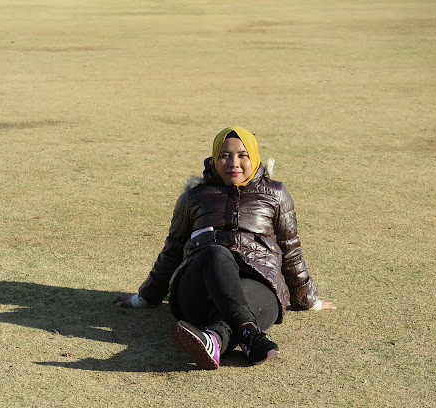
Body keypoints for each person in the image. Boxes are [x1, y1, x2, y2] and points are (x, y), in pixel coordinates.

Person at [113, 126, 336, 369]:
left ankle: (214, 341)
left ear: (254, 157)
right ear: (214, 158)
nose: (234, 163)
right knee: (216, 253)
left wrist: (308, 300)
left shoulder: (276, 194)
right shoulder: (194, 196)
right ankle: (252, 335)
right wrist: (145, 297)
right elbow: (173, 250)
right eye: (225, 155)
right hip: (199, 290)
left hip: (258, 287)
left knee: (243, 300)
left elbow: (290, 249)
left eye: (242, 155)